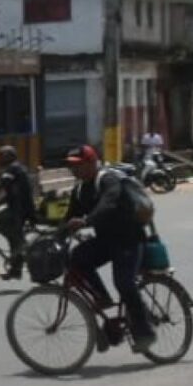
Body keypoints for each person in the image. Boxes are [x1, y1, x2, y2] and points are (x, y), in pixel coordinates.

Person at [60, 146, 154, 352]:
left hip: (129, 239)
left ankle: (145, 332)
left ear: (92, 163)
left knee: (123, 282)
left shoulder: (108, 180)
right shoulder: (80, 190)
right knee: (77, 257)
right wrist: (53, 234)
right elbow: (68, 218)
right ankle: (101, 298)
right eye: (72, 166)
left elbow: (108, 203)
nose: (74, 170)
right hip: (107, 240)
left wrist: (86, 221)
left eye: (79, 165)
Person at [0, 145, 41, 281]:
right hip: (21, 208)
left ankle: (21, 245)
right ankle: (15, 270)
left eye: (1, 156)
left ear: (10, 156)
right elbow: (9, 194)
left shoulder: (13, 169)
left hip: (19, 210)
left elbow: (1, 187)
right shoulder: (16, 168)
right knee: (13, 239)